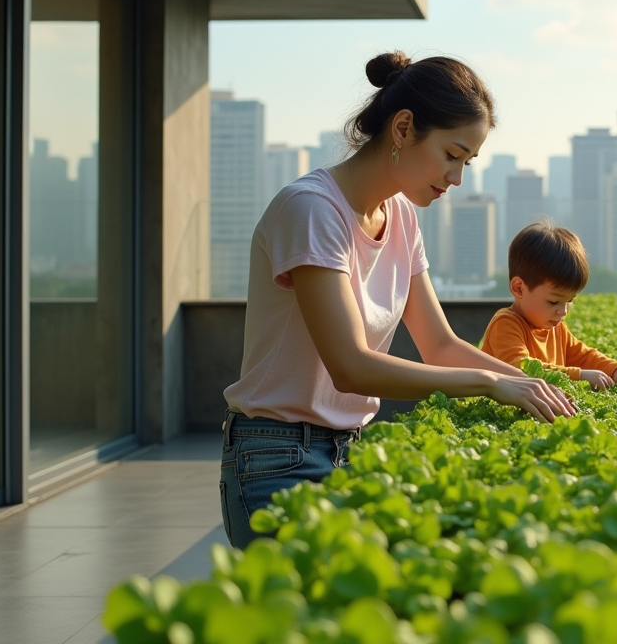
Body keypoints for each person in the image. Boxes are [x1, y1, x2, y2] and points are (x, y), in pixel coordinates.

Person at [219, 51, 575, 549]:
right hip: (278, 458)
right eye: (452, 155)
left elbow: (441, 345)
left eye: (467, 163)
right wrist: (491, 382)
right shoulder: (311, 210)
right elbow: (351, 366)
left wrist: (540, 386)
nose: (457, 178)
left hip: (350, 450)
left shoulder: (402, 219)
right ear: (404, 128)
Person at [480, 221, 617, 390]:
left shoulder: (555, 328)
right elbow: (521, 369)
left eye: (569, 301)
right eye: (553, 302)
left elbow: (583, 355)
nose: (563, 311)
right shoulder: (505, 324)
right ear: (519, 288)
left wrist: (614, 369)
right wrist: (580, 375)